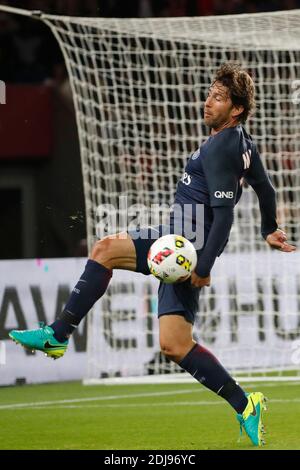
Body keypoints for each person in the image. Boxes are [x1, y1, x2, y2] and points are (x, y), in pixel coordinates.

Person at [9, 63, 296, 447]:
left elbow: (225, 216)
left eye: (219, 97)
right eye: (209, 92)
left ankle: (57, 336)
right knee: (174, 345)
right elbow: (265, 187)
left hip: (184, 245)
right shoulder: (243, 142)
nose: (208, 101)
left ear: (237, 109)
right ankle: (246, 405)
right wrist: (268, 227)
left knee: (105, 249)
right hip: (181, 243)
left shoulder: (219, 147)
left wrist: (204, 266)